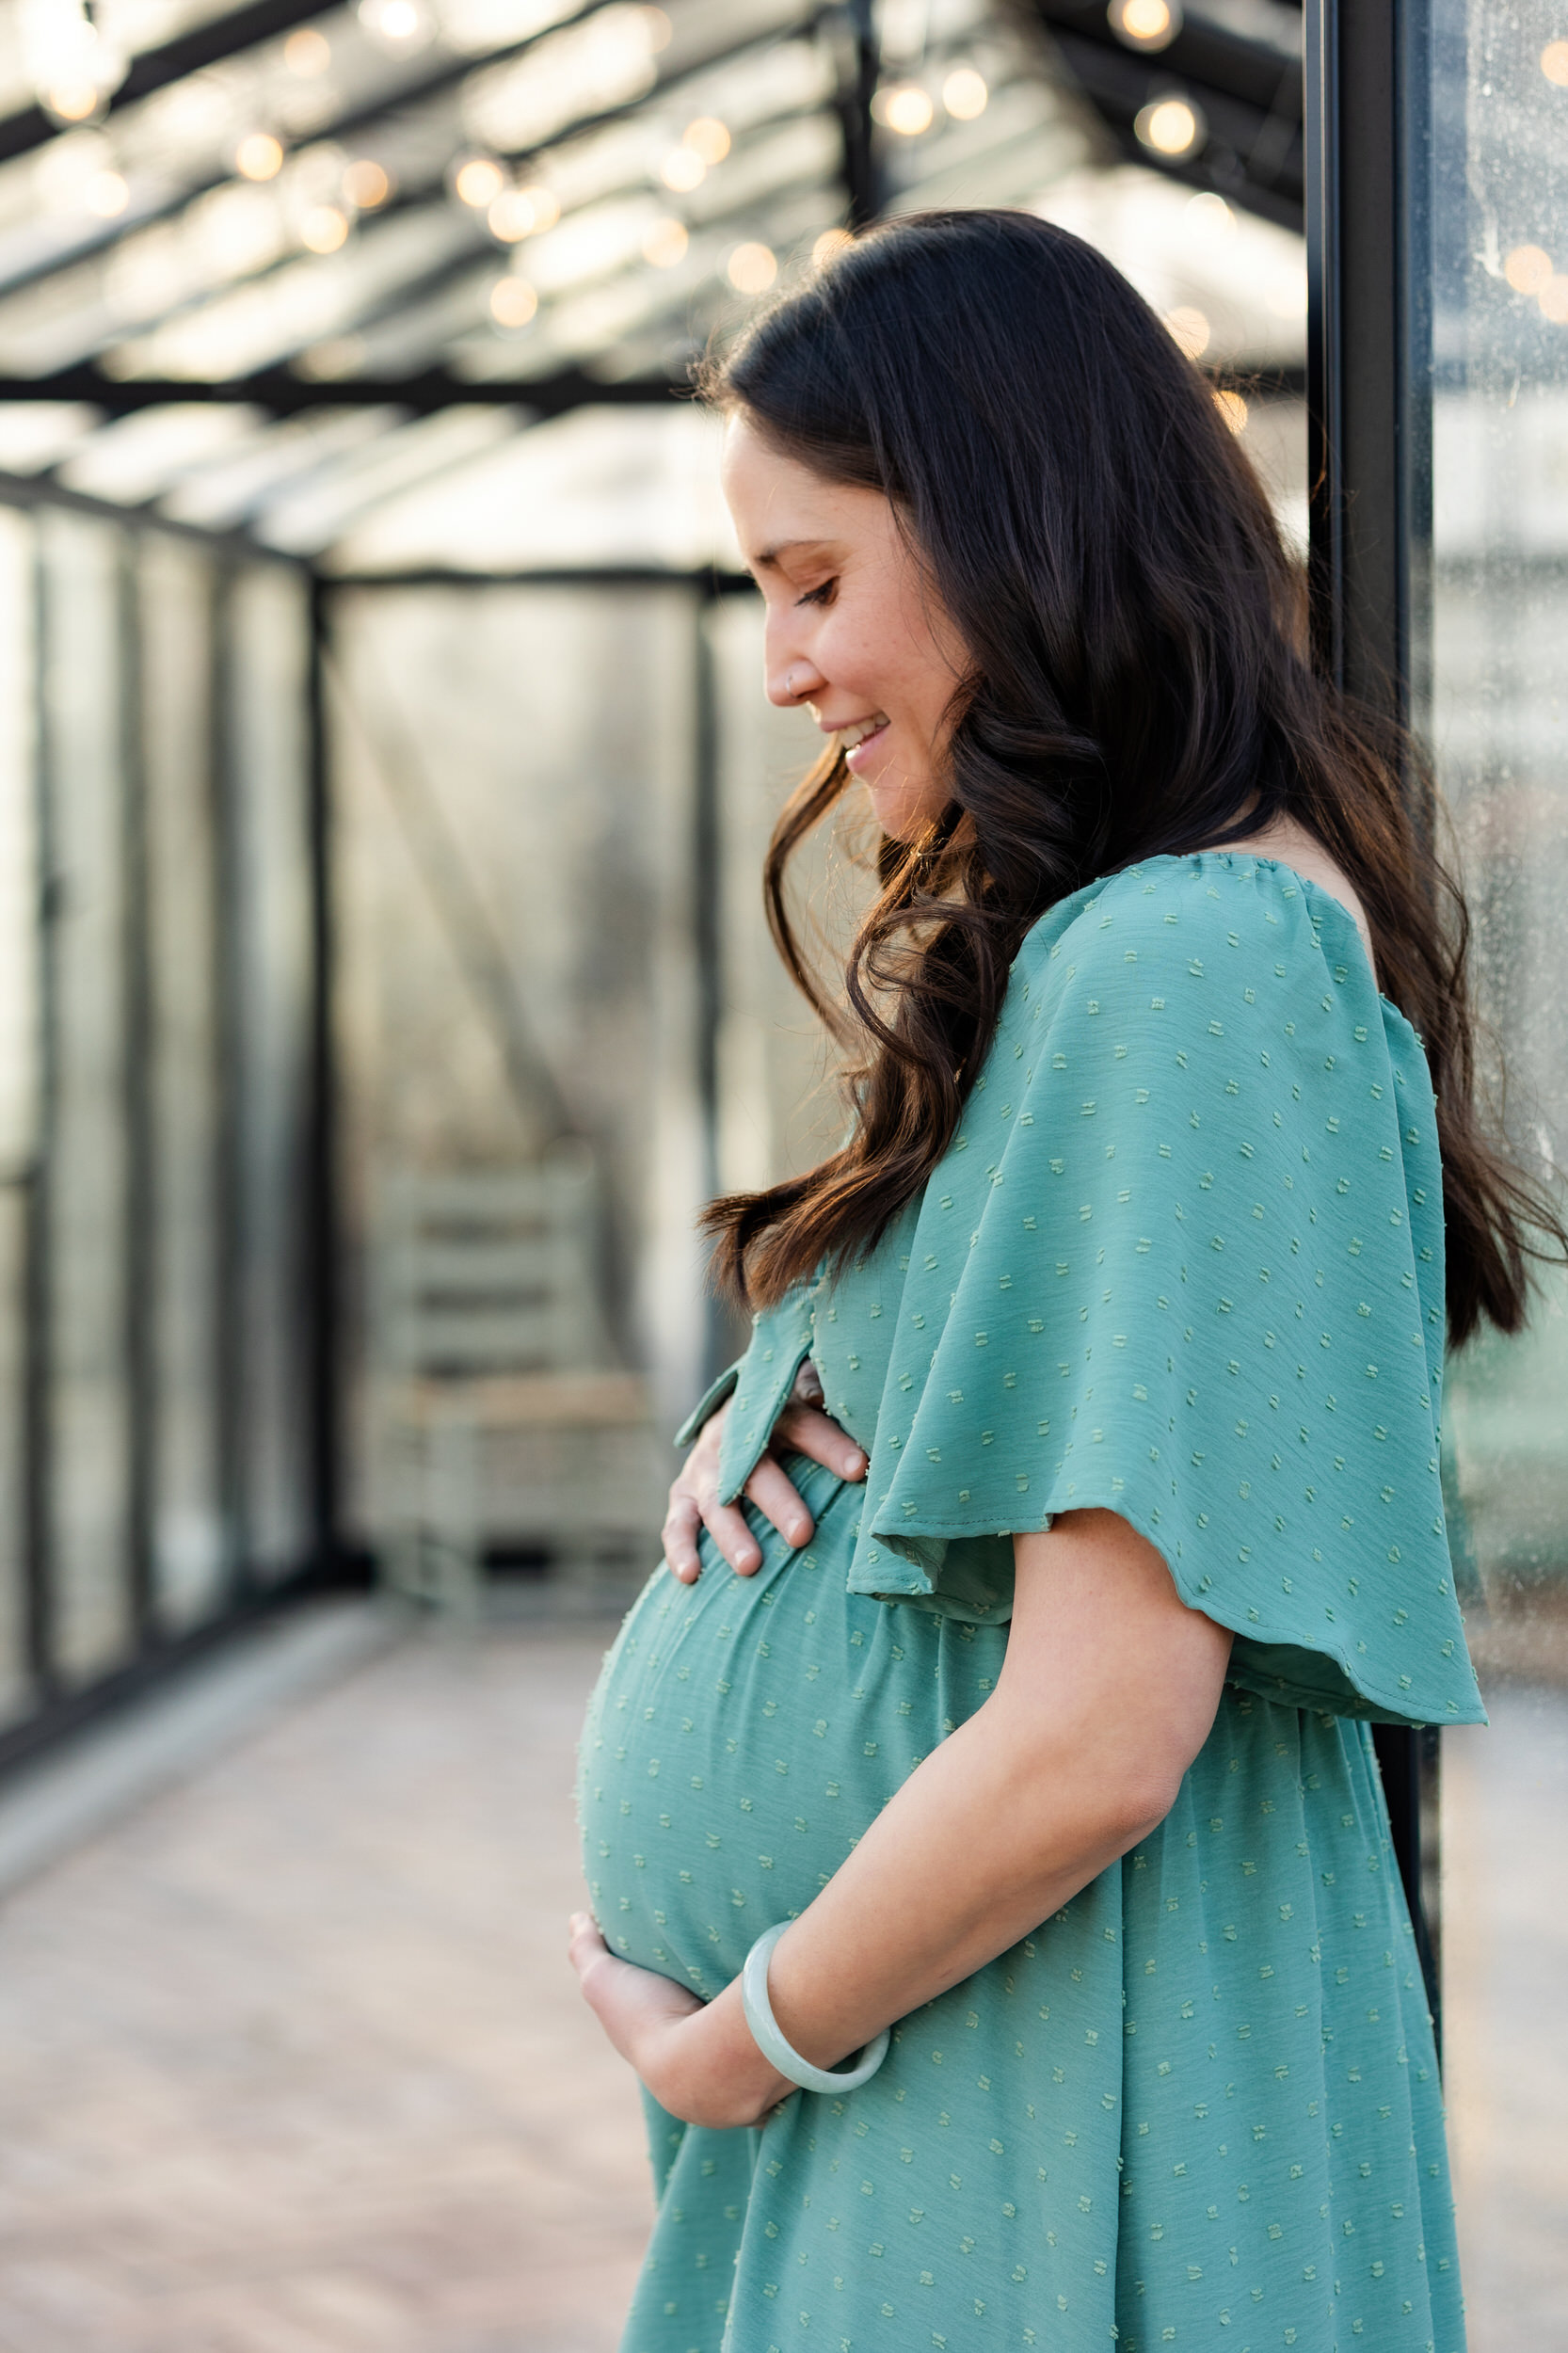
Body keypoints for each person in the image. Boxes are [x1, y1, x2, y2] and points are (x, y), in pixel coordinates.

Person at [568, 209, 1560, 2353]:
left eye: (814, 579)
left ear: (1011, 524)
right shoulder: (1144, 946)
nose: (786, 666)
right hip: (987, 2051)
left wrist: (746, 2032)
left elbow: (1105, 1727)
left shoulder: (1188, 963)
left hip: (1039, 2073)